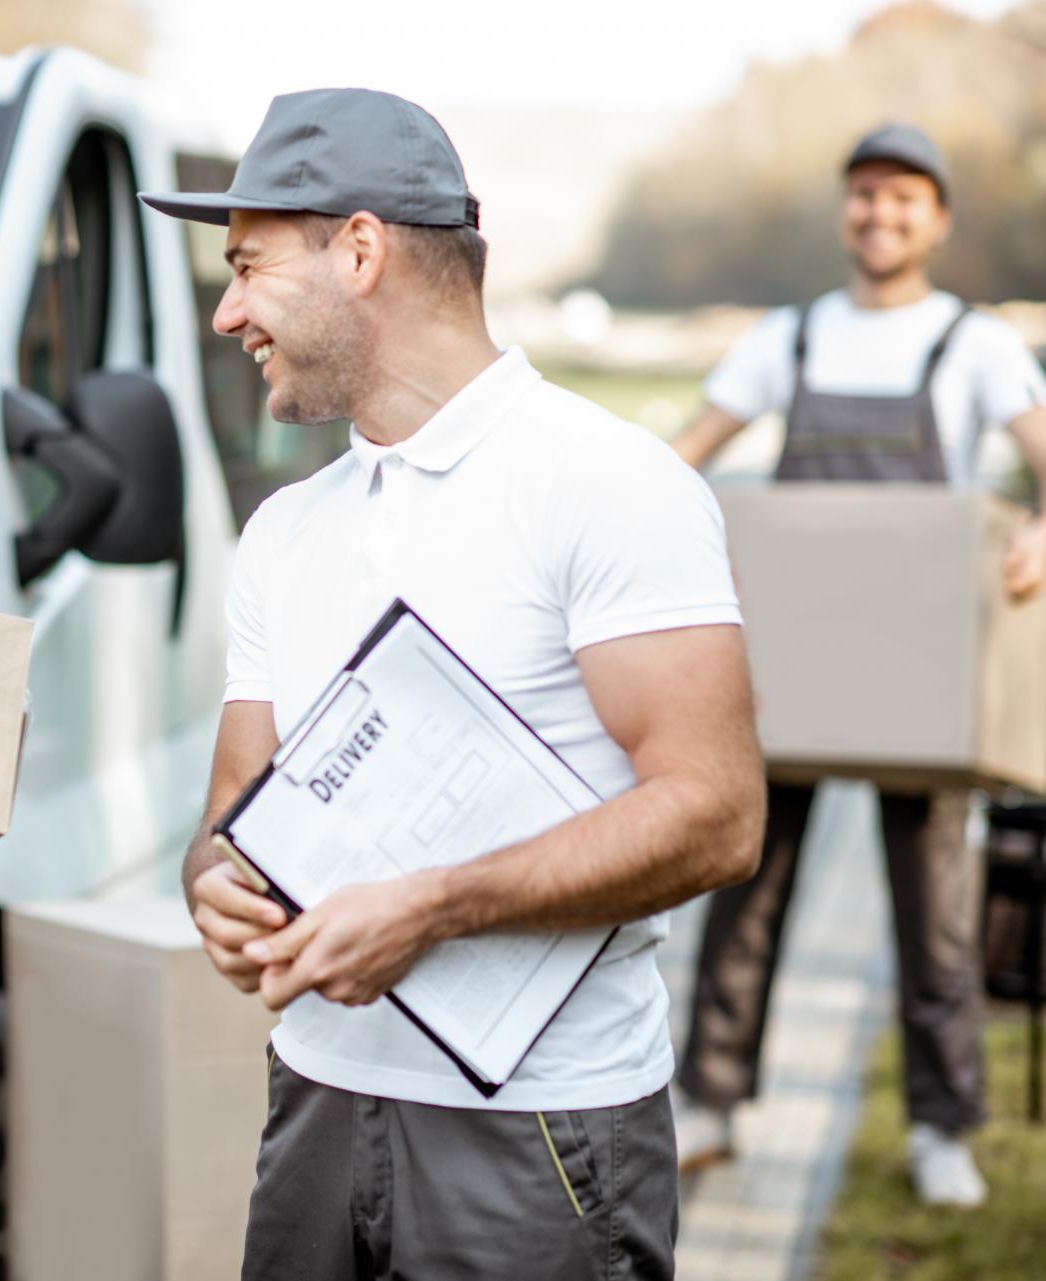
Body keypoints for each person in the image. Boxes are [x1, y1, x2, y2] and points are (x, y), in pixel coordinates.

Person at [141, 90, 765, 1279]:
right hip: (315, 1107)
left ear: (360, 250)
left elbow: (718, 815)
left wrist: (433, 907)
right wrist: (215, 887)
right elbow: (232, 823)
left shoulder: (606, 485)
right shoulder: (282, 532)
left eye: (247, 267)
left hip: (541, 1135)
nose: (226, 313)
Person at [670, 121, 1046, 1206]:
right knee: (741, 885)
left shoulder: (972, 344)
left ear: (938, 219)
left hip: (920, 678)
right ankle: (711, 1103)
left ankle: (944, 1129)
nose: (880, 214)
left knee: (934, 909)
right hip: (787, 669)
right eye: (864, 195)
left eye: (903, 197)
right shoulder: (786, 340)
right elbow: (684, 457)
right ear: (847, 210)